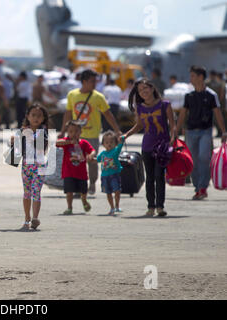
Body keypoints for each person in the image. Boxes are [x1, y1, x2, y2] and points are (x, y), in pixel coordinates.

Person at [60, 69, 122, 195]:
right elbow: (67, 113)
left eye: (95, 81)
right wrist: (63, 131)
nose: (95, 84)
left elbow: (108, 114)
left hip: (92, 135)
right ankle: (78, 186)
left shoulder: (98, 97)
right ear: (83, 81)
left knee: (92, 161)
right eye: (92, 81)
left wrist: (117, 130)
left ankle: (92, 183)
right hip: (76, 136)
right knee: (76, 160)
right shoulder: (72, 95)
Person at [123, 78, 176, 217]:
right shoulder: (140, 107)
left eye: (145, 88)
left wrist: (172, 139)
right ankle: (150, 207)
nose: (143, 92)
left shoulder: (165, 105)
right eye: (140, 90)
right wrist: (126, 135)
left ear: (152, 89)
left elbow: (172, 125)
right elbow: (139, 125)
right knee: (150, 177)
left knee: (159, 176)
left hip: (162, 147)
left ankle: (160, 207)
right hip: (147, 146)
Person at [176, 66, 227, 200]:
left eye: (192, 76)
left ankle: (203, 187)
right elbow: (182, 114)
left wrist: (223, 131)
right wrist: (176, 131)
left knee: (204, 157)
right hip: (190, 131)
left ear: (200, 77)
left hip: (205, 131)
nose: (190, 79)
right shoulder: (189, 96)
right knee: (193, 160)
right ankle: (198, 187)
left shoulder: (211, 95)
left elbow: (218, 113)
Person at [11, 103, 49, 230]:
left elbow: (41, 146)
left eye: (39, 116)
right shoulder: (21, 131)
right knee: (27, 192)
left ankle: (35, 218)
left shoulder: (43, 131)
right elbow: (15, 147)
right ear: (27, 116)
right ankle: (27, 218)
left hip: (40, 165)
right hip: (26, 165)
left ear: (43, 118)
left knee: (36, 191)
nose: (36, 118)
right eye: (33, 115)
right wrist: (13, 140)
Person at [57, 121, 96, 215]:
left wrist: (91, 155)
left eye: (76, 131)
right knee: (69, 192)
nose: (73, 134)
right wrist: (69, 141)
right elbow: (57, 143)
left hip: (81, 173)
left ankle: (84, 201)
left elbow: (92, 150)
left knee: (83, 191)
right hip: (68, 172)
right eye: (71, 131)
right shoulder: (66, 142)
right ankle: (69, 207)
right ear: (67, 132)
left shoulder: (84, 143)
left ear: (80, 132)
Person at [97, 131, 125, 215]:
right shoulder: (102, 154)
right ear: (103, 144)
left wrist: (122, 140)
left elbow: (119, 147)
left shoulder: (115, 151)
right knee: (108, 193)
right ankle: (112, 207)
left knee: (117, 190)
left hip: (114, 175)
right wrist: (90, 158)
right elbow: (97, 159)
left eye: (111, 142)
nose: (109, 144)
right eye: (106, 142)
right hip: (105, 176)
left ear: (115, 144)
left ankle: (117, 206)